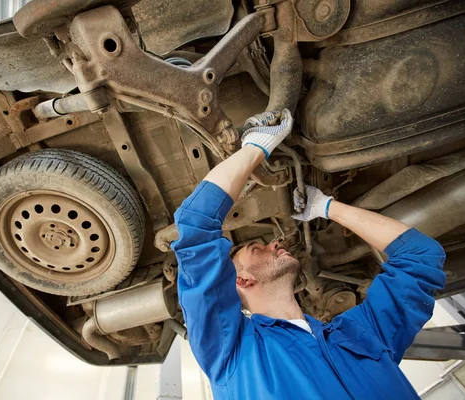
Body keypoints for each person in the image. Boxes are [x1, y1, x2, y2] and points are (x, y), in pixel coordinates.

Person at [171, 109, 446, 400]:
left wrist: (326, 207)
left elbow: (420, 258)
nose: (274, 242)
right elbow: (196, 225)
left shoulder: (360, 335)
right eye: (257, 249)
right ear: (242, 280)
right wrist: (255, 148)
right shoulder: (231, 351)